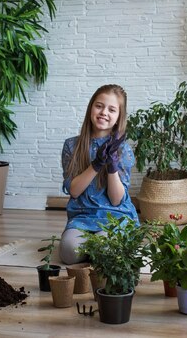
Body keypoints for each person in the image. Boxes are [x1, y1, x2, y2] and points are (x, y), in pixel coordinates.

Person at [59, 84, 138, 264]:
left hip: (115, 216)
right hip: (83, 216)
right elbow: (74, 191)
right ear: (90, 108)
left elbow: (117, 200)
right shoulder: (72, 146)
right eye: (99, 106)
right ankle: (94, 248)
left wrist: (111, 165)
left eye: (112, 109)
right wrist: (96, 164)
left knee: (106, 247)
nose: (104, 112)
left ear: (118, 118)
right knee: (68, 252)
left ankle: (99, 246)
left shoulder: (123, 150)